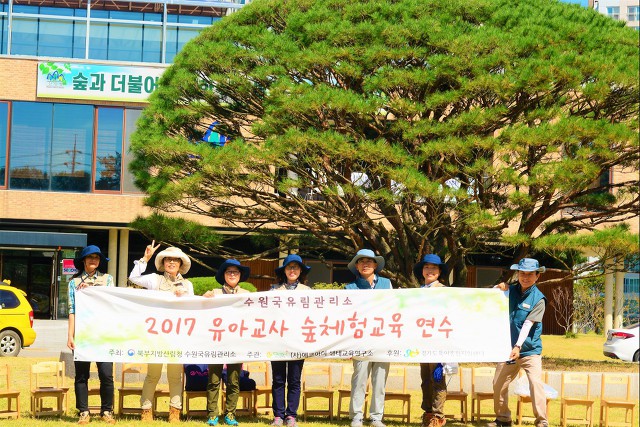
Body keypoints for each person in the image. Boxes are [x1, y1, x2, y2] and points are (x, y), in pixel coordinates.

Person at [129, 241, 194, 423]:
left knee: (175, 376)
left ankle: (175, 411)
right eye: (168, 259)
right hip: (156, 336)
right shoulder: (154, 280)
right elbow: (133, 278)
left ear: (181, 264)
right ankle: (146, 410)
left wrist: (184, 297)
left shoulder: (188, 285)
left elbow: (193, 309)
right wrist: (145, 259)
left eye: (175, 260)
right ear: (163, 263)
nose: (171, 262)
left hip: (177, 336)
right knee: (153, 375)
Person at [488, 258, 548, 427]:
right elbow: (490, 299)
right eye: (522, 273)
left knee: (535, 383)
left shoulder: (539, 299)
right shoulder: (510, 290)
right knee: (498, 383)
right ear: (518, 274)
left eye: (530, 274)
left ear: (537, 276)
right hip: (508, 349)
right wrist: (498, 288)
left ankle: (542, 421)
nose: (525, 277)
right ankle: (503, 419)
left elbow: (528, 324)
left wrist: (518, 346)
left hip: (529, 350)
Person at [67, 245, 116, 425]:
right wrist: (70, 335)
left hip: (103, 334)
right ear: (83, 261)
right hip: (82, 335)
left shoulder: (108, 279)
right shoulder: (73, 283)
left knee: (106, 375)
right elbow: (72, 310)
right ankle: (83, 412)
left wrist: (92, 291)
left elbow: (111, 303)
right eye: (90, 257)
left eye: (96, 257)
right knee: (81, 375)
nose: (93, 260)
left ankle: (107, 411)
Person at [345, 249, 392, 427]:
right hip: (360, 341)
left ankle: (376, 417)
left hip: (382, 339)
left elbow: (393, 309)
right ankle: (356, 416)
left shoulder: (387, 284)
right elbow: (346, 318)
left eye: (369, 261)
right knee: (359, 378)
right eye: (361, 261)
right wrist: (348, 345)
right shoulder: (349, 288)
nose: (365, 264)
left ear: (375, 265)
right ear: (356, 266)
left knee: (380, 380)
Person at [203, 259, 251, 427]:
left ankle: (230, 413)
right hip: (216, 342)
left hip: (237, 343)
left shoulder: (247, 294)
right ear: (223, 275)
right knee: (213, 380)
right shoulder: (214, 293)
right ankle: (212, 414)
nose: (232, 274)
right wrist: (204, 299)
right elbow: (201, 310)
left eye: (235, 272)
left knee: (233, 380)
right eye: (229, 271)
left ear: (240, 275)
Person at [269, 254, 312, 427]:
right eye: (289, 267)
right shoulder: (274, 290)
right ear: (284, 271)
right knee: (278, 379)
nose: (292, 270)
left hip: (298, 341)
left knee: (294, 380)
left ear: (300, 271)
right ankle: (278, 415)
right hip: (277, 340)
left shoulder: (308, 292)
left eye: (295, 267)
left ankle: (291, 415)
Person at [414, 254, 449, 427]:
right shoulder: (418, 291)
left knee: (437, 378)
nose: (430, 270)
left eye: (434, 268)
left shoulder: (445, 291)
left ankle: (438, 415)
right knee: (425, 379)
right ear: (422, 270)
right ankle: (428, 412)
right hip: (422, 341)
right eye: (427, 267)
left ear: (439, 272)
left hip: (439, 341)